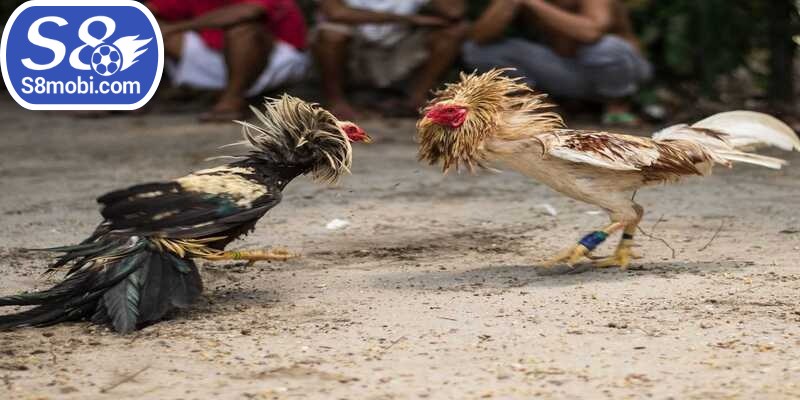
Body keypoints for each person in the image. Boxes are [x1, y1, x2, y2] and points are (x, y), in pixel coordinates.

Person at [464, 0, 652, 125]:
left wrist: (533, 3)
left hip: (624, 71)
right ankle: (544, 107)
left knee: (605, 47)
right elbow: (479, 37)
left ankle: (618, 106)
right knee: (477, 50)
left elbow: (591, 33)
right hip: (568, 72)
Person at [147, 0, 309, 122]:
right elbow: (148, 10)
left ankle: (232, 99)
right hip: (217, 54)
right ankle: (142, 95)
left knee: (243, 30)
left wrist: (177, 27)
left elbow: (247, 12)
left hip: (276, 60)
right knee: (148, 25)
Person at [313, 0, 468, 119]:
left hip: (402, 44)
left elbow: (454, 11)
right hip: (356, 47)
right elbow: (337, 13)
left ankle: (416, 99)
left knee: (454, 31)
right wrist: (411, 19)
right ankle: (336, 101)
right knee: (331, 33)